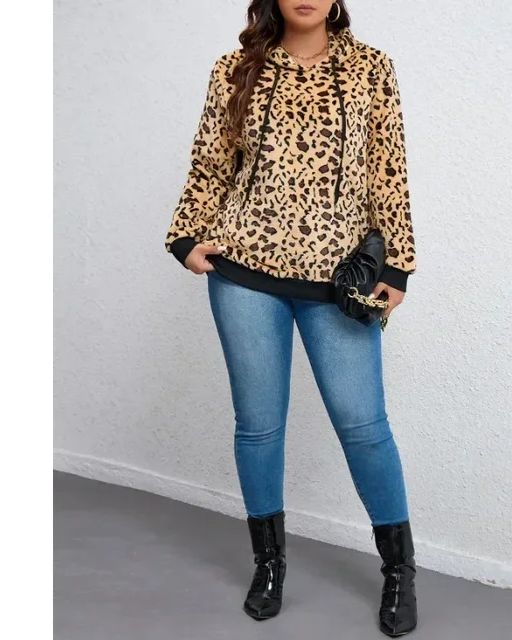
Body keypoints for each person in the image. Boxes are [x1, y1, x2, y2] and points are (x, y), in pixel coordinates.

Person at [164, 1, 417, 636]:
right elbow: (210, 162)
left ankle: (399, 571)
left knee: (364, 427)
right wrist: (186, 236)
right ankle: (269, 566)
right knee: (258, 427)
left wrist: (397, 265)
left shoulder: (372, 67)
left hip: (339, 282)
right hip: (244, 271)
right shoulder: (235, 68)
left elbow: (389, 172)